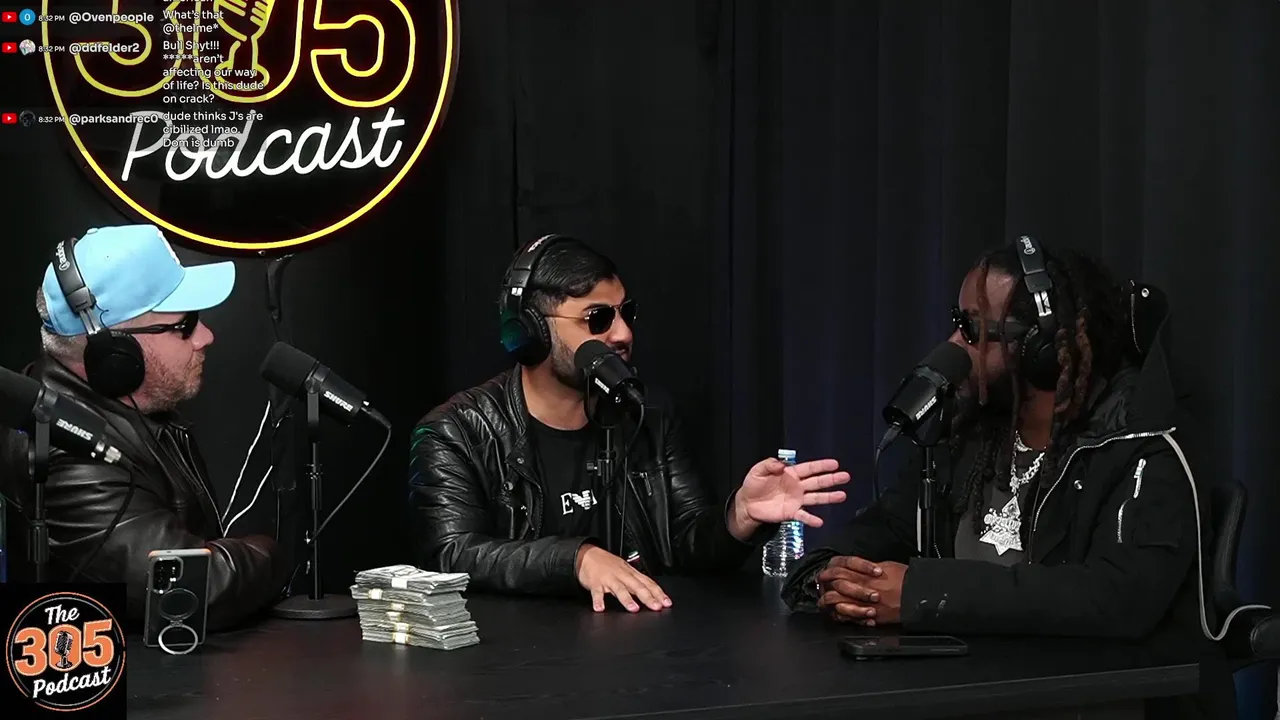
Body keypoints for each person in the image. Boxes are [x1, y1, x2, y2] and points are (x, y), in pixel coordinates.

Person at [781, 236, 1232, 718]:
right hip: (977, 696)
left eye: (973, 328)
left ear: (1042, 347)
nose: (955, 344)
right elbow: (869, 537)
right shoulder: (968, 440)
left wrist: (924, 593)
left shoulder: (1143, 444)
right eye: (957, 322)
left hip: (1104, 704)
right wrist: (836, 583)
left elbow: (1118, 598)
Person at [409, 234, 849, 612]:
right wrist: (576, 559)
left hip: (639, 656)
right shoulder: (458, 431)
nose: (622, 334)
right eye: (598, 318)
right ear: (530, 331)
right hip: (513, 663)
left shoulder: (646, 413)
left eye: (626, 313)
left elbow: (687, 547)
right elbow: (450, 554)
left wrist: (739, 516)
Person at [0, 224, 288, 630]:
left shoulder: (136, 404)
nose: (205, 336)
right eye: (185, 324)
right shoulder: (64, 455)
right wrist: (270, 553)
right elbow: (191, 589)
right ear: (116, 354)